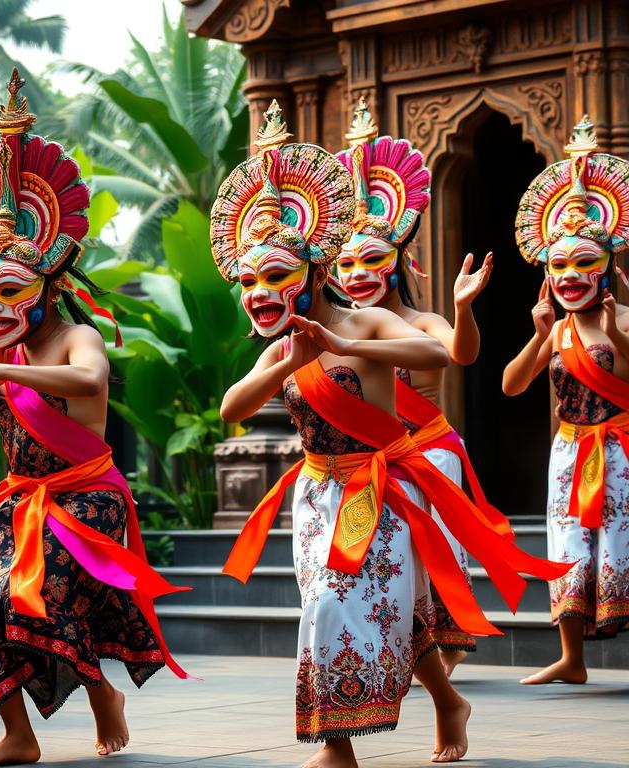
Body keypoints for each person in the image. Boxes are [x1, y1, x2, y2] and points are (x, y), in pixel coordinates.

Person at [212, 101, 571, 767]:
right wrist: (289, 364)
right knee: (386, 609)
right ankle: (447, 701)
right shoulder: (282, 345)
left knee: (333, 604)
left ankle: (337, 745)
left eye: (275, 275)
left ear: (314, 271)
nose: (259, 290)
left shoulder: (365, 325)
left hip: (378, 489)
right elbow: (234, 407)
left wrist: (354, 342)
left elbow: (439, 359)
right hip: (317, 493)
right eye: (249, 278)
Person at [0, 70, 188, 768]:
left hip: (86, 500)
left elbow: (88, 380)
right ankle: (19, 737)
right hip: (19, 503)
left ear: (48, 286)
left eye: (8, 289)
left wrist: (0, 370)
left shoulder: (76, 338)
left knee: (42, 603)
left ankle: (104, 697)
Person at [333, 98, 510, 675]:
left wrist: (462, 310)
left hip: (428, 457)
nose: (358, 273)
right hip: (370, 462)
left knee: (436, 566)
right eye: (345, 263)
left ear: (399, 259)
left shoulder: (421, 323)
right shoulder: (329, 334)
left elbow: (459, 352)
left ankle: (442, 670)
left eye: (371, 259)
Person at [504, 115, 629, 684]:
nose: (570, 274)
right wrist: (538, 335)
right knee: (568, 545)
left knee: (620, 543)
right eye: (558, 265)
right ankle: (572, 659)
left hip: (620, 451)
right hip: (568, 450)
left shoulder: (625, 320)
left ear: (608, 267)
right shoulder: (554, 330)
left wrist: (619, 338)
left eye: (584, 263)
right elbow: (511, 384)